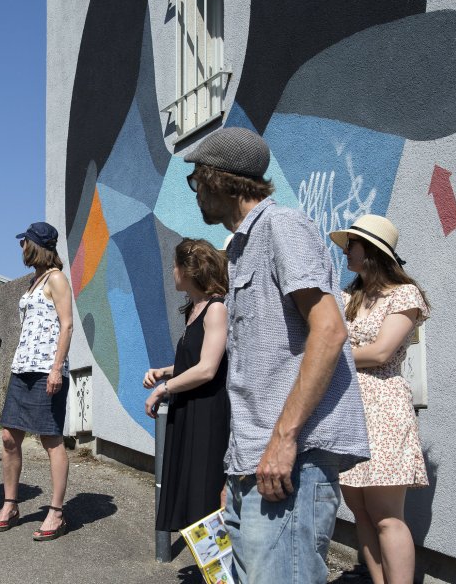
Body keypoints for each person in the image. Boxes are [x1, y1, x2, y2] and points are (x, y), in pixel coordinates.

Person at [184, 127, 370, 584]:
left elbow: (328, 331)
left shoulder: (281, 227)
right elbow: (257, 371)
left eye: (196, 181)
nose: (196, 193)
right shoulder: (241, 248)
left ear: (218, 179)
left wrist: (284, 440)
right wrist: (237, 474)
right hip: (257, 463)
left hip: (292, 460)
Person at [329, 215, 430, 584]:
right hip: (348, 407)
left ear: (370, 252)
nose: (344, 253)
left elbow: (382, 352)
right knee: (360, 510)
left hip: (383, 406)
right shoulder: (350, 296)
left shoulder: (405, 295)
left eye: (351, 246)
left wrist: (329, 354)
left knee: (386, 514)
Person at [0, 222, 73, 540]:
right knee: (10, 439)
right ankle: (10, 505)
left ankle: (56, 512)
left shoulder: (56, 279)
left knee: (51, 440)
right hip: (22, 368)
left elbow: (66, 326)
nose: (20, 246)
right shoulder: (34, 281)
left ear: (35, 245)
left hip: (45, 371)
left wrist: (56, 369)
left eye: (23, 241)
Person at [142, 239, 229, 533]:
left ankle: (223, 574)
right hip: (190, 408)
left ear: (189, 271)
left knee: (205, 491)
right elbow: (195, 361)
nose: (172, 270)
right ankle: (212, 570)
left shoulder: (215, 309)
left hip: (206, 412)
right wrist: (165, 372)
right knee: (192, 488)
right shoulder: (194, 310)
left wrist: (164, 388)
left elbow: (207, 369)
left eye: (175, 265)